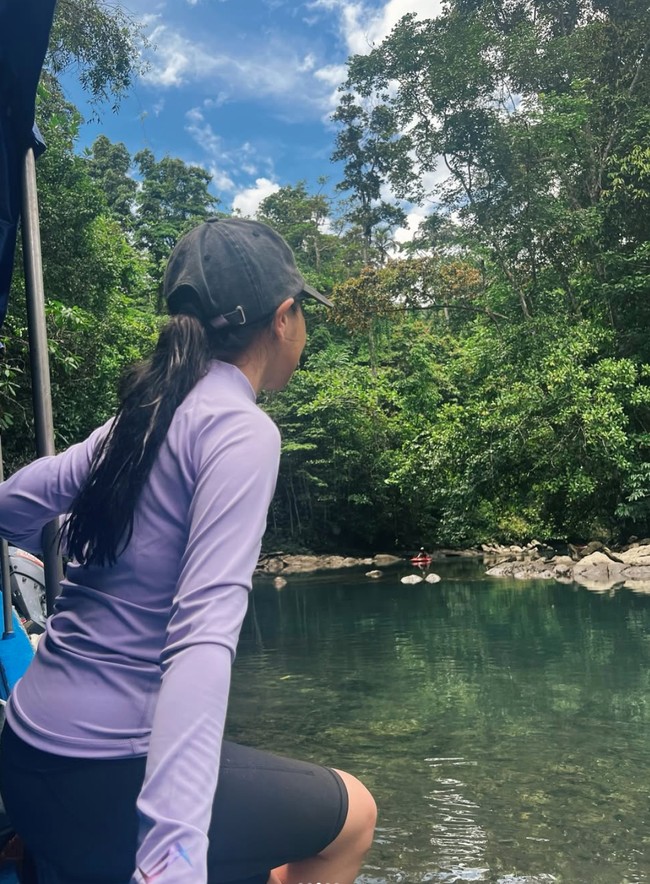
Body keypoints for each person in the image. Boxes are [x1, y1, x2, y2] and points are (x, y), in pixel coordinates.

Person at [0, 218, 377, 884]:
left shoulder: (137, 420)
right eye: (303, 316)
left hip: (27, 759)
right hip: (103, 783)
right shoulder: (240, 430)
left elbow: (17, 502)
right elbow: (201, 641)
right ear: (284, 318)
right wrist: (169, 860)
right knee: (354, 816)